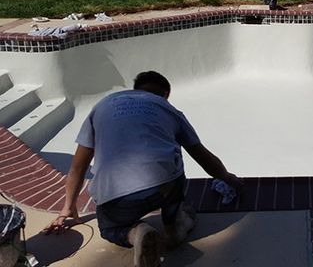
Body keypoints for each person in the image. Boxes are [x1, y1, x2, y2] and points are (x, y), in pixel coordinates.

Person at [43, 71, 244, 267]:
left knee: (110, 229)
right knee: (173, 167)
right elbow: (201, 155)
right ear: (166, 94)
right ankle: (173, 227)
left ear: (136, 90)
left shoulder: (102, 106)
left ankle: (135, 233)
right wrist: (228, 178)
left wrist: (68, 207)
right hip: (165, 186)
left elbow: (78, 167)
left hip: (115, 196)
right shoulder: (167, 109)